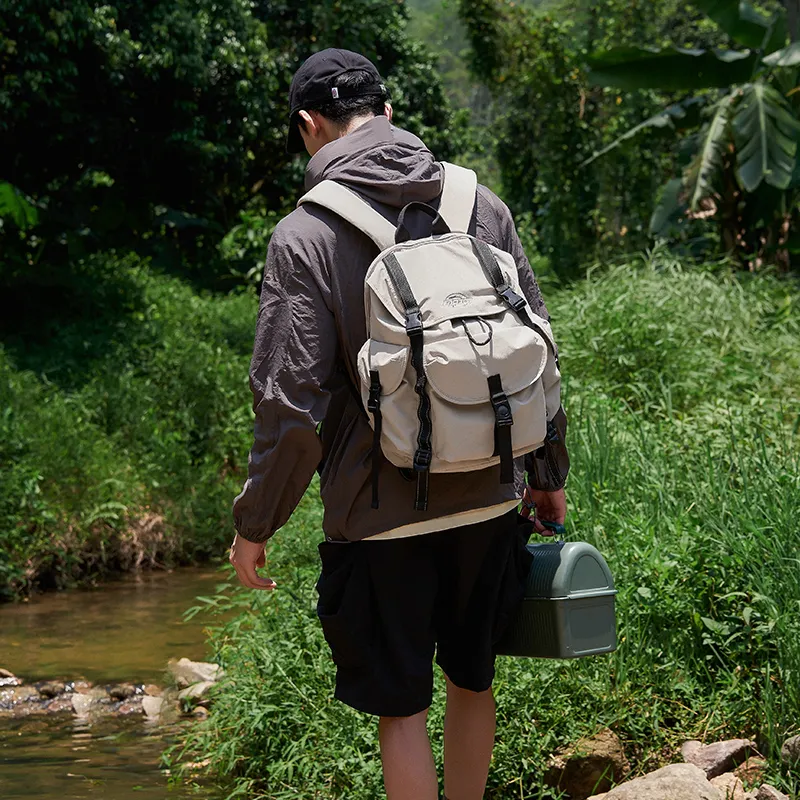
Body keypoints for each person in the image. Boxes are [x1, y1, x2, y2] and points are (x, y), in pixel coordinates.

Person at [229, 48, 570, 800]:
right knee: (473, 679)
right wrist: (545, 474)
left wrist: (256, 523)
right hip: (488, 494)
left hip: (378, 513)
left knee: (403, 708)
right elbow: (538, 350)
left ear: (308, 126)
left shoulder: (305, 235)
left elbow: (291, 405)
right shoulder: (481, 205)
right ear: (386, 111)